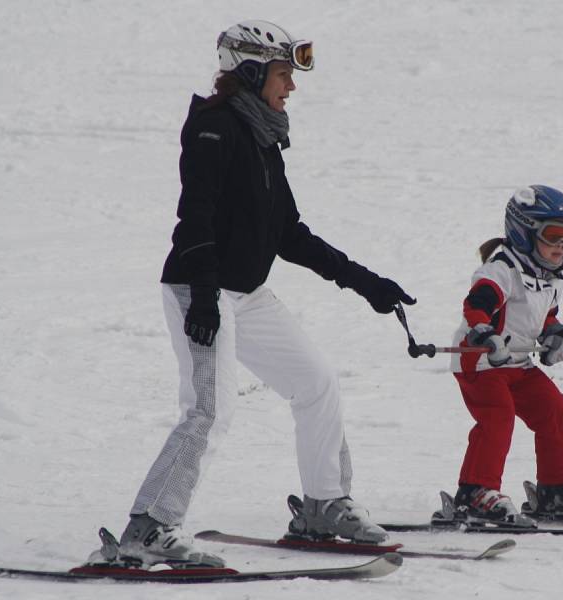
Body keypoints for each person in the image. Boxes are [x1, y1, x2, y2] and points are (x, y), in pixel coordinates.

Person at [115, 20, 415, 568]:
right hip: (199, 289)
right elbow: (195, 216)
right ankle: (149, 527)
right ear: (250, 74)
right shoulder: (215, 128)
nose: (291, 87)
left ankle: (323, 504)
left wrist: (365, 282)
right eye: (283, 74)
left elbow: (289, 233)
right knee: (208, 410)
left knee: (316, 382)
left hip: (246, 294)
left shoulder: (261, 135)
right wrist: (204, 295)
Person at [447, 185, 563, 525]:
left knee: (554, 411)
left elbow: (545, 316)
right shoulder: (501, 269)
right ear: (523, 232)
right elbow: (476, 305)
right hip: (481, 360)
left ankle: (555, 488)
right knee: (498, 415)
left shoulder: (550, 274)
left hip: (518, 363)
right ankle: (475, 492)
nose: (561, 246)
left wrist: (556, 335)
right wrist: (484, 333)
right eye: (553, 236)